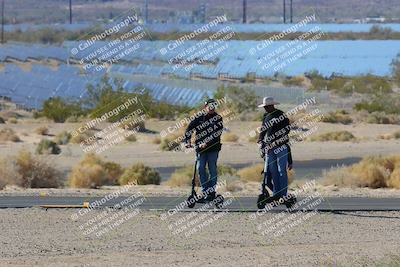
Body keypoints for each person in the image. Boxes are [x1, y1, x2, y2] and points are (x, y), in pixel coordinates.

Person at [184, 99, 224, 201]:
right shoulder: (198, 118)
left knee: (212, 169)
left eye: (213, 106)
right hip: (200, 149)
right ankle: (206, 190)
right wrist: (187, 141)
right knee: (200, 168)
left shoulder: (218, 118)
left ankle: (211, 192)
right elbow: (189, 129)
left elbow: (217, 133)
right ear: (205, 107)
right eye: (210, 106)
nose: (212, 108)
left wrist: (207, 142)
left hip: (213, 148)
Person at [257, 96, 292, 200]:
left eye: (267, 106)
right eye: (265, 107)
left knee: (282, 170)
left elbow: (287, 129)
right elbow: (263, 129)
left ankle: (284, 194)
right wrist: (260, 139)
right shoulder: (266, 115)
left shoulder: (281, 115)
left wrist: (277, 140)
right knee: (273, 171)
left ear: (272, 105)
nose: (266, 108)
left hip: (281, 146)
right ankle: (277, 193)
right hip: (269, 147)